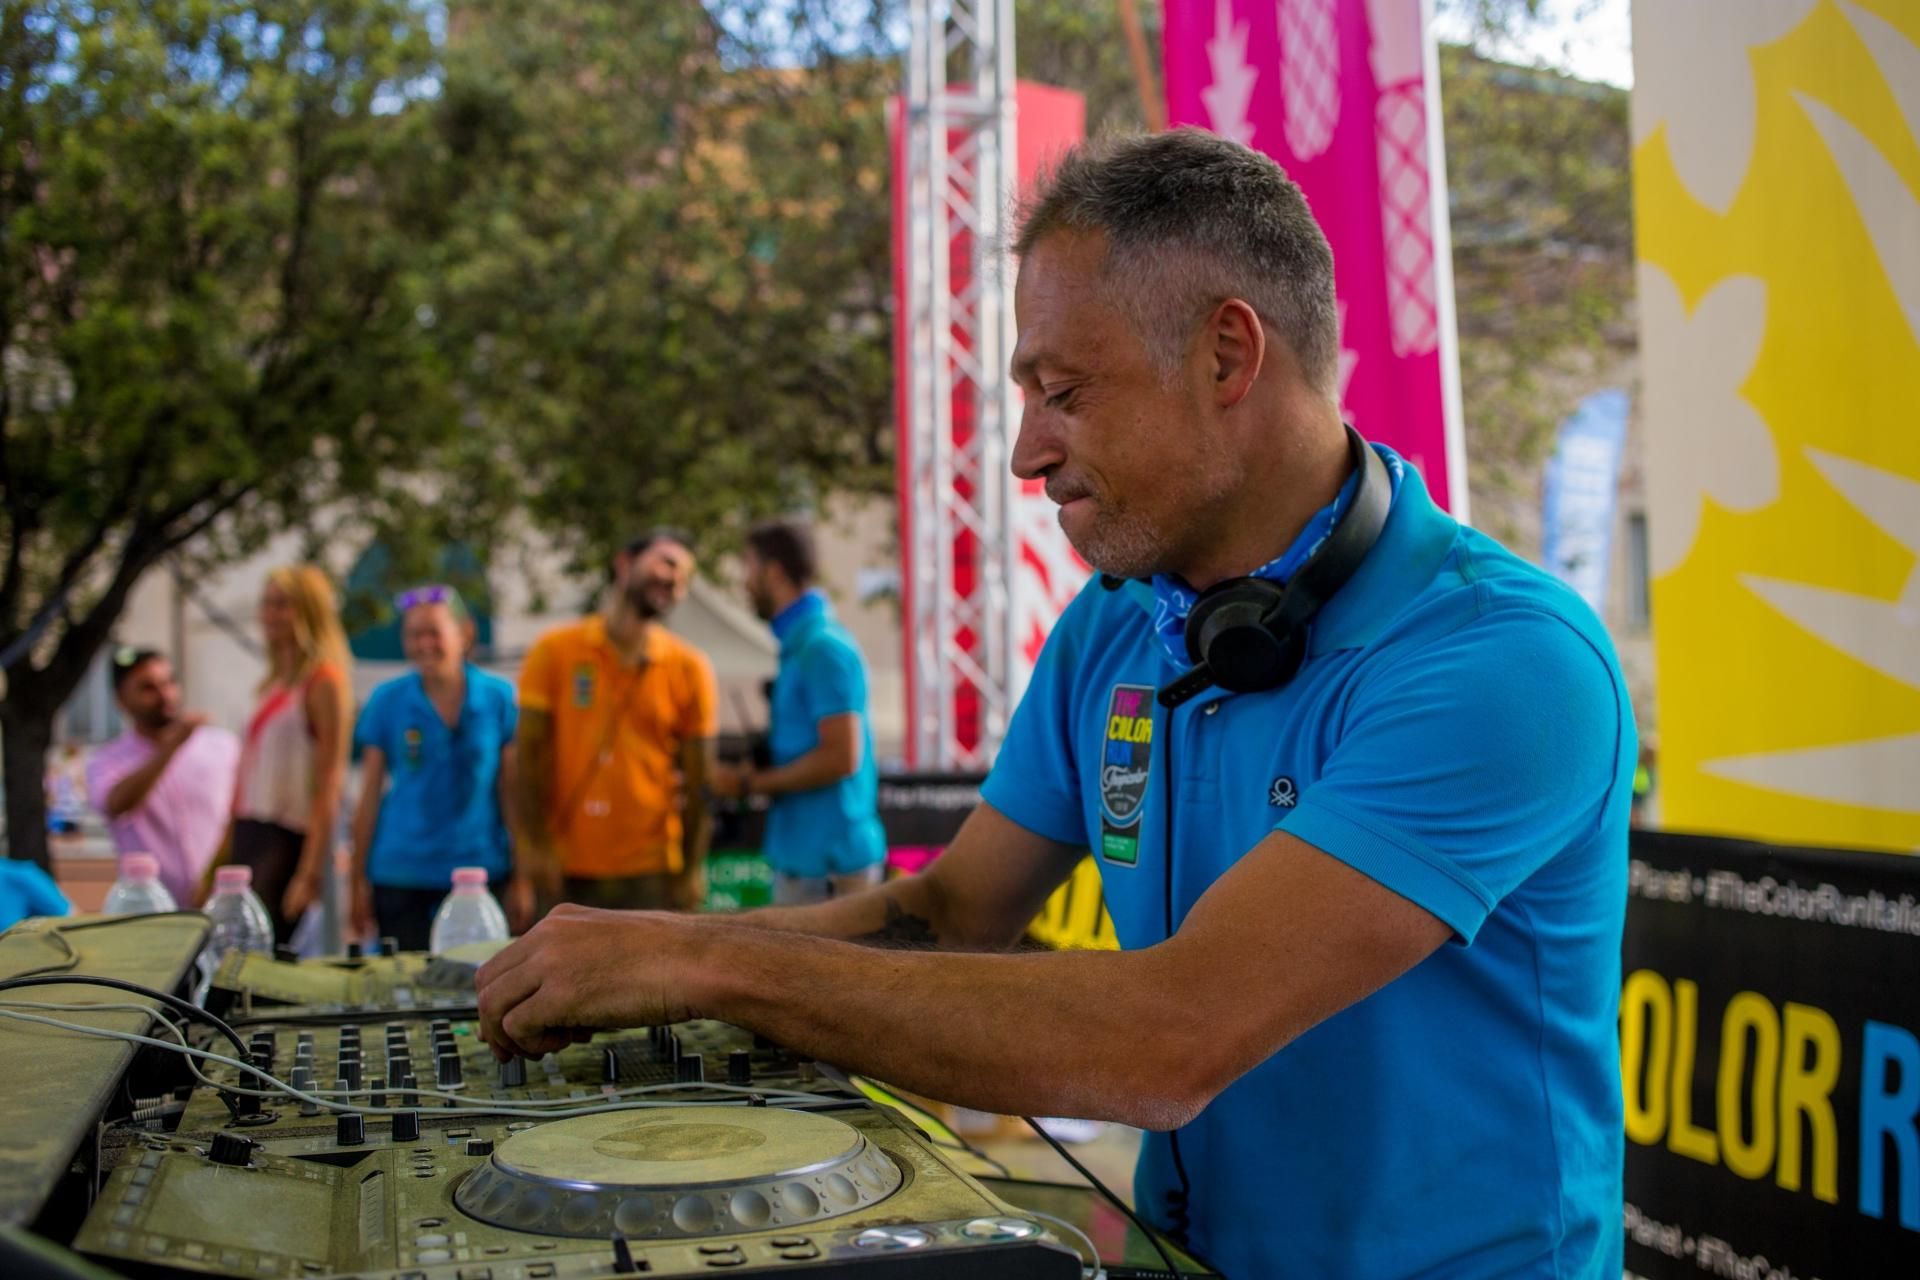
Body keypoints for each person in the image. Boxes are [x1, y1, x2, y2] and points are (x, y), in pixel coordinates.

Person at [475, 131, 1635, 1278]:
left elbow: (1170, 1035)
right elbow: (950, 912)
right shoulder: (1118, 623)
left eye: (1064, 392)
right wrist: (647, 956)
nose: (1028, 454)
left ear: (1229, 355)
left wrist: (710, 966)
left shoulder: (1504, 660)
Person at [515, 529, 717, 913]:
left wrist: (692, 868)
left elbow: (700, 780)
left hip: (652, 872)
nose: (675, 580)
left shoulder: (690, 666)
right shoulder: (554, 650)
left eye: (685, 578)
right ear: (624, 563)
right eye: (668, 563)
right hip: (565, 867)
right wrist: (534, 845)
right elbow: (527, 757)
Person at [712, 519, 885, 905]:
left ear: (774, 573)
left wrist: (749, 784)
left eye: (748, 567)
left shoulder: (823, 647)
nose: (744, 582)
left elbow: (841, 756)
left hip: (829, 867)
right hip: (810, 863)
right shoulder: (804, 644)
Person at [349, 586, 522, 950]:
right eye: (414, 635)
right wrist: (355, 881)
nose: (424, 644)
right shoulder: (388, 700)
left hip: (479, 871)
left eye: (434, 633)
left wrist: (524, 876)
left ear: (465, 633)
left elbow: (512, 791)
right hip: (402, 872)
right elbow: (369, 797)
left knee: (481, 977)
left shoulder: (497, 698)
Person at [228, 564, 352, 942]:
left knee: (267, 945)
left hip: (287, 834)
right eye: (266, 604)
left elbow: (330, 779)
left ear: (307, 611)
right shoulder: (272, 684)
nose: (270, 614)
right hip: (251, 827)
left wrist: (309, 870)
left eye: (282, 604)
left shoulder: (324, 681)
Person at [85, 648, 241, 910]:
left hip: (220, 906)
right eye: (148, 688)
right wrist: (170, 749)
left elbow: (241, 816)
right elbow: (115, 804)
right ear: (121, 699)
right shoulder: (107, 760)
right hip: (150, 912)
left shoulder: (222, 747)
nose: (165, 695)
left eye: (169, 682)